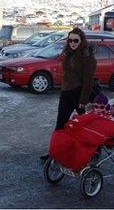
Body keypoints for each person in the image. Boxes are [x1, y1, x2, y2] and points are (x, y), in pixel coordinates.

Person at [41, 27, 97, 160]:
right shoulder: (67, 53)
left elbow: (88, 81)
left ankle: (94, 151)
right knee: (60, 123)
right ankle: (54, 152)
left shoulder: (87, 57)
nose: (72, 43)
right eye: (70, 40)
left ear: (82, 41)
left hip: (80, 94)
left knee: (87, 125)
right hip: (66, 93)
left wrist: (83, 101)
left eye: (75, 40)